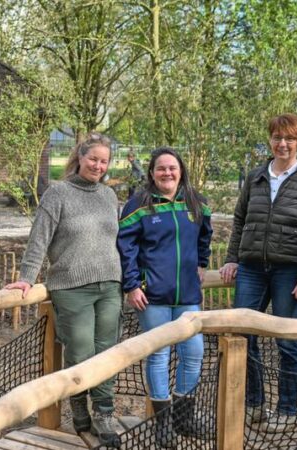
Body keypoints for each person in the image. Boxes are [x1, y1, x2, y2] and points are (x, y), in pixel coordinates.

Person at [6, 132, 123, 446]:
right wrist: (27, 277)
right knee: (81, 352)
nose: (98, 166)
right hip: (71, 286)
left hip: (110, 283)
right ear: (80, 158)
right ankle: (78, 407)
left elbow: (117, 240)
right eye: (93, 159)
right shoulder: (57, 193)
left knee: (107, 352)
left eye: (104, 161)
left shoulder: (109, 196)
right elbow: (39, 239)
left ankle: (104, 413)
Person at [219, 113, 297, 432]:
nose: (282, 144)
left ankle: (288, 409)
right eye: (277, 137)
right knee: (244, 335)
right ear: (270, 140)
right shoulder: (255, 176)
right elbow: (240, 221)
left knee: (287, 341)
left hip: (289, 271)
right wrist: (231, 259)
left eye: (289, 139)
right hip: (252, 268)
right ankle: (253, 403)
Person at [117, 148, 213, 448]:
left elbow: (205, 235)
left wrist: (202, 262)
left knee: (194, 352)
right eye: (161, 168)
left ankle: (184, 418)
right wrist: (132, 285)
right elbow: (126, 247)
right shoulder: (138, 205)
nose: (167, 173)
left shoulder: (197, 202)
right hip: (152, 296)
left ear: (181, 171)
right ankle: (163, 424)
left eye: (172, 168)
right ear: (152, 172)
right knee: (158, 355)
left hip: (187, 295)